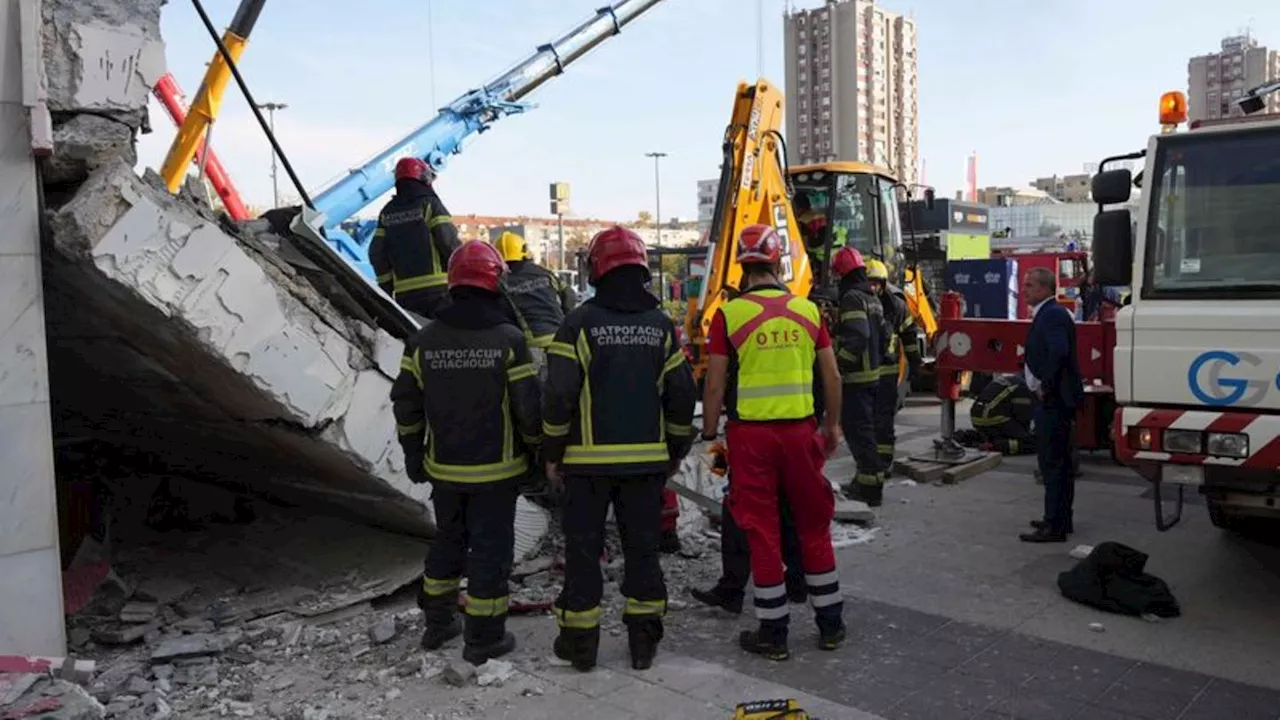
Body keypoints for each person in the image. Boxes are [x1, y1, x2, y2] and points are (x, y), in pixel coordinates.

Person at [542, 225, 698, 673]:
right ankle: (643, 643)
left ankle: (580, 646)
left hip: (586, 469)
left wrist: (552, 450)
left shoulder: (578, 325)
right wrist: (674, 448)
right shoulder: (660, 326)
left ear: (596, 270)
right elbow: (681, 395)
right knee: (643, 552)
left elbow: (558, 397)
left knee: (584, 553)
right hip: (646, 467)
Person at [390, 241, 542, 664]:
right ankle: (485, 637)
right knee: (491, 554)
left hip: (445, 471)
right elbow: (528, 409)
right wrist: (537, 457)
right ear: (496, 285)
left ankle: (438, 625)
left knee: (447, 544)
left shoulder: (421, 342)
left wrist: (412, 455)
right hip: (498, 473)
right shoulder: (509, 340)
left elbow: (406, 405)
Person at [700, 223, 846, 661]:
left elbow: (714, 385)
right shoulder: (807, 311)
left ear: (742, 267)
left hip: (749, 440)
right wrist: (832, 427)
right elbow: (833, 376)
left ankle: (774, 633)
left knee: (761, 532)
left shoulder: (730, 315)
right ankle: (831, 625)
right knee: (813, 528)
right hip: (802, 435)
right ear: (778, 261)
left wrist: (710, 439)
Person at [1020, 267, 1084, 543]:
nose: (1025, 290)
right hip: (1055, 398)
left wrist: (1046, 385)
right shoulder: (1049, 313)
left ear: (1045, 288)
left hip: (1054, 400)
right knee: (1058, 464)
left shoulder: (1053, 314)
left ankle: (1054, 525)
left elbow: (1058, 351)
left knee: (1053, 464)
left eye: (1030, 285)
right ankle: (1059, 518)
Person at [369, 157, 462, 320]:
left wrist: (386, 287)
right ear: (423, 177)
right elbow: (449, 243)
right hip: (439, 292)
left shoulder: (387, 212)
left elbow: (377, 253)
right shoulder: (431, 205)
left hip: (406, 296)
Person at [831, 246, 887, 506]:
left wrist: (839, 363)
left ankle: (870, 489)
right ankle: (866, 481)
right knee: (866, 432)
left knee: (859, 434)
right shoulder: (872, 297)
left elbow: (858, 335)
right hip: (873, 376)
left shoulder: (852, 297)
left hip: (857, 378)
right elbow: (883, 336)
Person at [866, 259, 922, 476]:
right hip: (866, 373)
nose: (872, 287)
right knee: (866, 421)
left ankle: (884, 462)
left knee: (884, 421)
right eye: (868, 282)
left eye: (875, 283)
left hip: (887, 373)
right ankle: (870, 461)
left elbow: (909, 334)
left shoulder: (896, 306)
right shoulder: (860, 302)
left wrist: (915, 361)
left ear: (882, 283)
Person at [494, 230, 575, 377]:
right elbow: (569, 295)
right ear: (523, 251)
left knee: (533, 393)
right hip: (560, 339)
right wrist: (565, 316)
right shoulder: (544, 272)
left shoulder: (501, 282)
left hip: (530, 346)